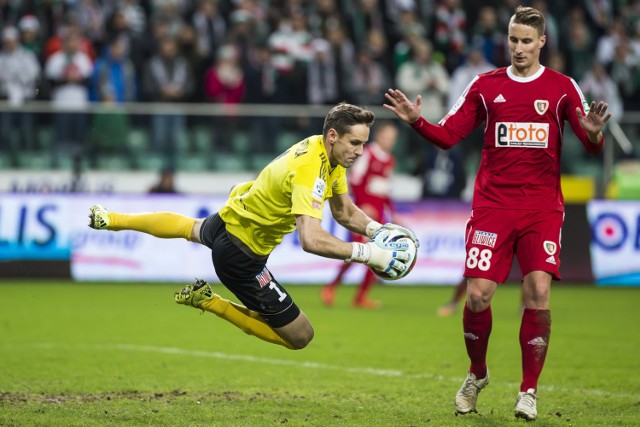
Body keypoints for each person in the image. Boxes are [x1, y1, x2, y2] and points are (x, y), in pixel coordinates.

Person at [384, 6, 611, 421]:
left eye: (527, 41)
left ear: (542, 42)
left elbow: (588, 141)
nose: (519, 48)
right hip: (492, 206)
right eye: (513, 40)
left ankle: (529, 391)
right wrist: (418, 122)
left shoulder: (563, 88)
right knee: (477, 295)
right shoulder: (485, 86)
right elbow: (449, 136)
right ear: (506, 40)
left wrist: (594, 135)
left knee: (538, 292)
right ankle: (477, 373)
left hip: (542, 208)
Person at [88, 103, 417, 351]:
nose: (360, 152)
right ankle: (209, 301)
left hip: (229, 220)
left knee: (189, 227)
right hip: (242, 256)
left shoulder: (325, 151)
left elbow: (344, 211)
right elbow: (311, 239)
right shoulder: (310, 170)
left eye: (363, 144)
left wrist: (376, 229)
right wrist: (369, 253)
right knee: (300, 335)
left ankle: (111, 219)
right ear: (334, 136)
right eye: (355, 143)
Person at [321, 121, 399, 309]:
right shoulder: (367, 154)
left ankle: (361, 296)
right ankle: (331, 287)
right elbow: (354, 181)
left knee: (378, 255)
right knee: (358, 254)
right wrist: (362, 205)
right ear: (379, 136)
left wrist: (392, 214)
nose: (390, 141)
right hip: (363, 215)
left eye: (393, 139)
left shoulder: (389, 160)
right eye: (387, 137)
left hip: (379, 215)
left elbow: (385, 192)